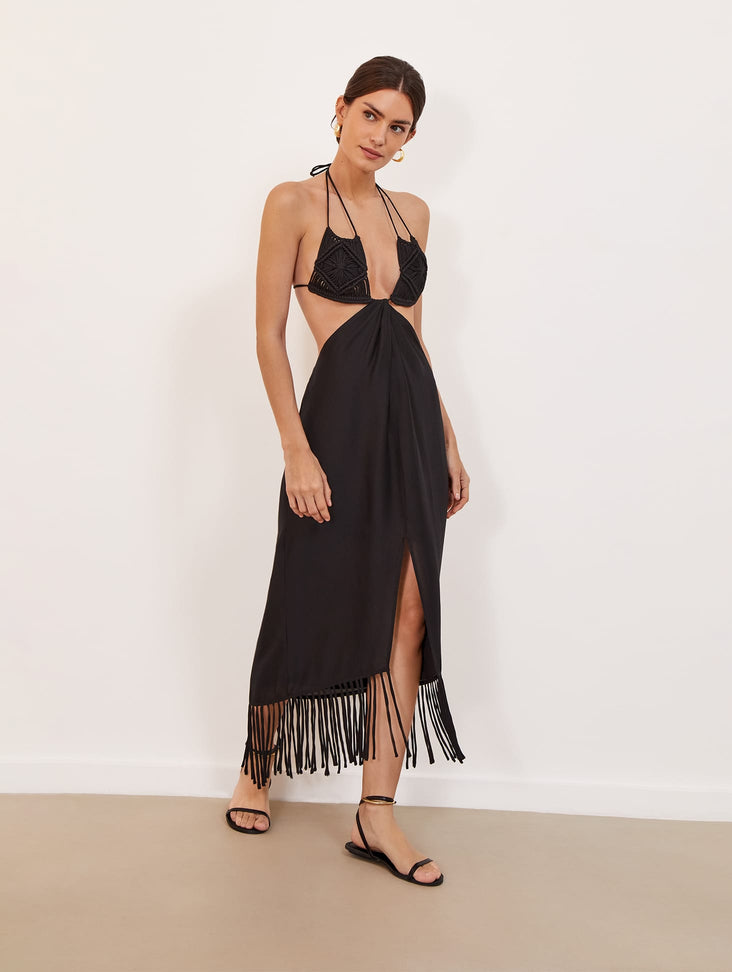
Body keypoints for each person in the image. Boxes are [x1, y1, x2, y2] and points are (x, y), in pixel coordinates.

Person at [225, 55, 470, 887]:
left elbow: (413, 335)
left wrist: (446, 438)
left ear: (409, 138)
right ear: (340, 109)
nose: (380, 135)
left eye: (398, 126)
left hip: (411, 428)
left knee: (410, 612)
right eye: (370, 114)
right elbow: (267, 333)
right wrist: (295, 448)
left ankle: (376, 813)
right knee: (303, 592)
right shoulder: (292, 203)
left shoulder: (414, 214)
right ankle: (257, 766)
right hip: (333, 426)